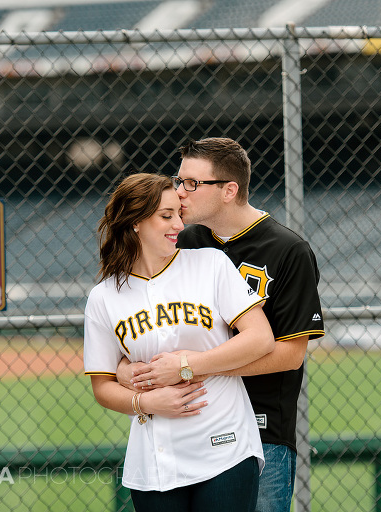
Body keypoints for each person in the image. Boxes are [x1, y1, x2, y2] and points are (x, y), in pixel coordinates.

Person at [121, 138, 325, 512]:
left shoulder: (287, 250)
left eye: (192, 183)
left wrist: (191, 367)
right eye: (179, 180)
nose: (179, 192)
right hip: (191, 420)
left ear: (229, 190)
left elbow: (290, 355)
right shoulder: (181, 242)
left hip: (264, 430)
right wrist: (132, 371)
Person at [83, 172, 276, 512]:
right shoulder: (104, 297)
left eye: (179, 215)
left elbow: (260, 338)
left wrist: (185, 367)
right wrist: (148, 403)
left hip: (225, 446)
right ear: (135, 223)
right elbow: (103, 386)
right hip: (156, 460)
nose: (178, 225)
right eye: (166, 215)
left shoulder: (210, 264)